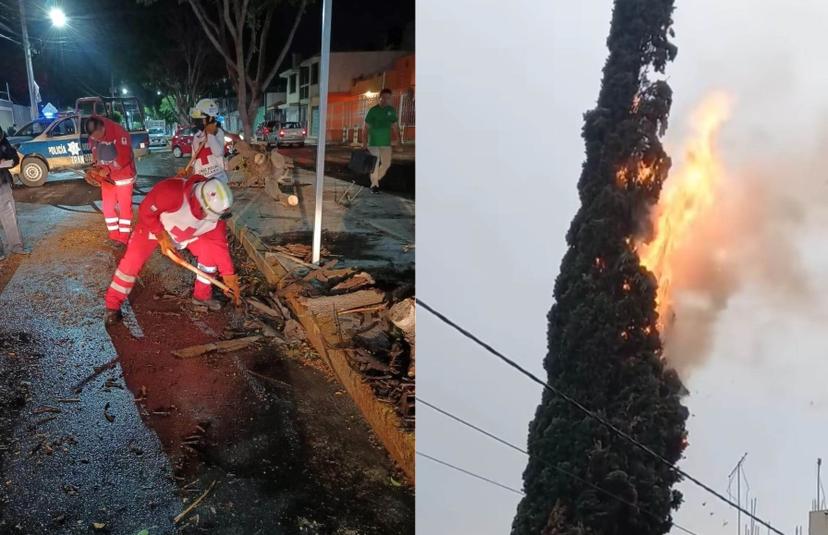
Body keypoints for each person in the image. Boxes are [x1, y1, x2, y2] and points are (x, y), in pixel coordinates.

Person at [103, 174, 241, 325]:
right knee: (132, 262)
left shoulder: (216, 218)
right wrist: (161, 236)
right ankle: (112, 305)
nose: (212, 218)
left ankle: (202, 296)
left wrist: (228, 275)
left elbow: (218, 245)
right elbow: (146, 211)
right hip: (154, 228)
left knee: (210, 256)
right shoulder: (170, 191)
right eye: (210, 214)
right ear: (201, 205)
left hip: (188, 234)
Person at [85, 115, 136, 244]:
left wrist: (107, 169)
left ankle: (124, 237)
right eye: (93, 137)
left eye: (97, 136)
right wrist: (95, 169)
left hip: (123, 177)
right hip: (106, 179)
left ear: (102, 128)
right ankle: (114, 235)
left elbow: (124, 157)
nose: (95, 139)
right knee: (108, 207)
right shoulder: (93, 137)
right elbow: (95, 153)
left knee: (124, 208)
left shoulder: (119, 132)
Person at [184, 98, 240, 184]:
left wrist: (210, 134)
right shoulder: (197, 137)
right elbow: (194, 160)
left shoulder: (218, 132)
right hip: (201, 182)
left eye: (199, 118)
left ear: (209, 119)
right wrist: (187, 171)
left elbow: (218, 152)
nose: (195, 121)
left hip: (218, 181)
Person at [362, 88, 400, 193]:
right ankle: (375, 185)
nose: (385, 100)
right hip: (373, 142)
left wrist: (398, 139)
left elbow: (395, 126)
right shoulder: (373, 111)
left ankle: (375, 179)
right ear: (380, 98)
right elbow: (365, 128)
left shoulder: (391, 111)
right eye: (383, 97)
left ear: (390, 99)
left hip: (386, 143)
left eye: (388, 98)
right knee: (375, 163)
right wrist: (364, 142)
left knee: (386, 164)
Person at [0, 129, 26, 259]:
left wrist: (7, 159)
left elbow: (14, 158)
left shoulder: (2, 139)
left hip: (2, 182)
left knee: (10, 214)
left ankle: (16, 245)